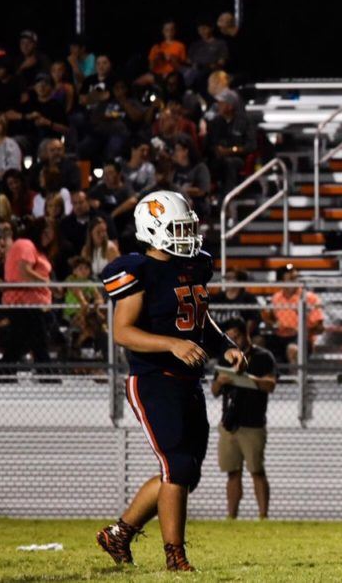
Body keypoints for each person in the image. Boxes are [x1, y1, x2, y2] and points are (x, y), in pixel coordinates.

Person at [95, 190, 230, 572]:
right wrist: (171, 343)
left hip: (187, 380)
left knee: (187, 472)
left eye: (188, 227)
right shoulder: (139, 269)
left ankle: (119, 534)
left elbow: (198, 317)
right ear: (153, 229)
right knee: (177, 466)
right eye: (178, 228)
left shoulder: (195, 264)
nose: (187, 235)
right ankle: (175, 557)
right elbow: (122, 331)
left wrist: (225, 345)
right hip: (153, 379)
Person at [211, 319, 276, 520]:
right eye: (229, 336)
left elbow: (271, 384)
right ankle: (231, 516)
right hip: (229, 423)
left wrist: (249, 379)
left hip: (253, 422)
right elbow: (213, 391)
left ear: (246, 334)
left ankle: (263, 516)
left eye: (237, 336)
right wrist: (220, 382)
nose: (234, 340)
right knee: (232, 472)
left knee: (256, 470)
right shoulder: (225, 357)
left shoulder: (263, 356)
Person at [0, 216, 55, 373]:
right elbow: (24, 271)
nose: (49, 239)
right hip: (24, 302)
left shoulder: (35, 249)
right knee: (37, 339)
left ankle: (4, 371)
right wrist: (47, 282)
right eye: (46, 234)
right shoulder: (25, 244)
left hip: (33, 303)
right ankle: (46, 372)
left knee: (20, 340)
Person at [261, 264, 324, 363]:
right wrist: (273, 323)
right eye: (291, 278)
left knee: (292, 348)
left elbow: (319, 327)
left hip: (300, 336)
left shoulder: (309, 297)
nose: (295, 281)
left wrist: (300, 330)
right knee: (259, 343)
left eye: (296, 277)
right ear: (281, 281)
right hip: (279, 335)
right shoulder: (276, 298)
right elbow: (270, 319)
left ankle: (296, 377)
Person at [206, 89, 255, 193]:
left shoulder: (245, 122)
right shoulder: (215, 122)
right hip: (216, 158)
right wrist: (216, 150)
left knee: (229, 163)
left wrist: (232, 150)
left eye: (221, 103)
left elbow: (251, 145)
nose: (218, 105)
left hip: (237, 159)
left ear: (230, 106)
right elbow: (208, 143)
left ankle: (228, 197)